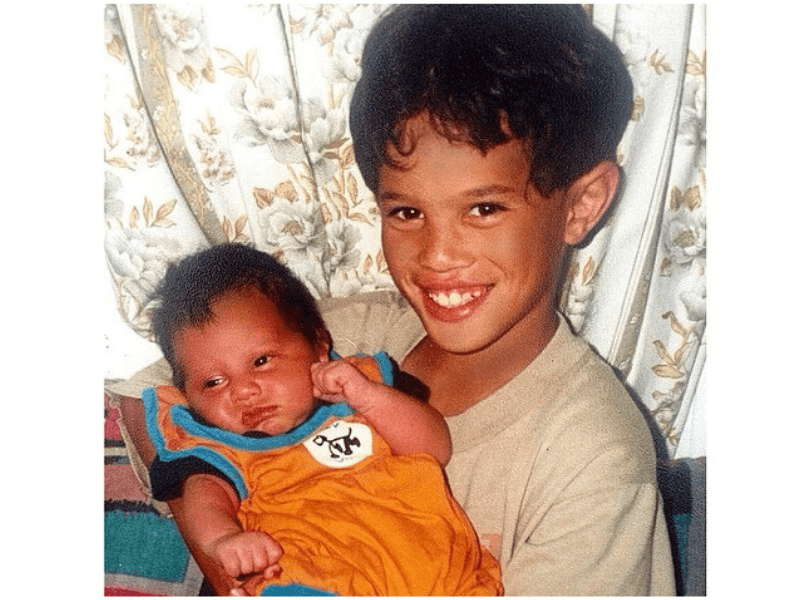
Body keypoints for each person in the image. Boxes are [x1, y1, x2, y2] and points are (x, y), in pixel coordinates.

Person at [115, 4, 676, 595]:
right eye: (407, 212)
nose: (437, 256)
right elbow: (145, 393)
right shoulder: (351, 335)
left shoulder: (594, 460)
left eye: (484, 208)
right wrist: (220, 542)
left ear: (582, 205)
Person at [143, 243, 503, 596]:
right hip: (313, 576)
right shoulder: (219, 449)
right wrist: (224, 539)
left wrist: (369, 398)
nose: (243, 391)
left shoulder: (361, 388)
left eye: (261, 361)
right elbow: (204, 498)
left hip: (435, 567)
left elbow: (435, 448)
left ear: (318, 345)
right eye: (213, 382)